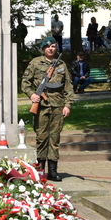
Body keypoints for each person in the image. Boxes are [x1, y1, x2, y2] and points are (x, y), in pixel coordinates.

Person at [21, 36, 73, 182]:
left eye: (53, 46)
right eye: (48, 46)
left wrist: (67, 105)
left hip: (58, 105)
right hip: (42, 107)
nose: (51, 49)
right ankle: (39, 170)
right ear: (43, 48)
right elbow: (25, 82)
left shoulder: (61, 64)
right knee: (42, 137)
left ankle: (52, 171)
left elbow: (68, 86)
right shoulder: (36, 63)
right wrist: (32, 95)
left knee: (54, 138)